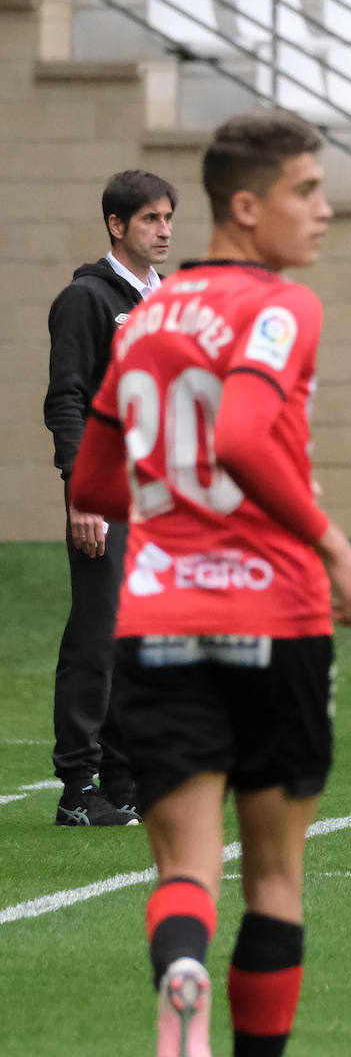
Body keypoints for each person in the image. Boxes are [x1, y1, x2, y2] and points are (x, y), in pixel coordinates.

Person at [69, 111, 351, 1057]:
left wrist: (168, 506)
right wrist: (333, 546)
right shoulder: (282, 305)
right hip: (274, 613)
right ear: (245, 208)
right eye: (306, 192)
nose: (326, 212)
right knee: (276, 880)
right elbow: (243, 435)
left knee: (185, 867)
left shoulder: (147, 314)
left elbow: (92, 481)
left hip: (159, 615)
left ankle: (180, 974)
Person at [45, 169, 177, 827]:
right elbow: (66, 401)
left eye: (168, 218)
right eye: (150, 219)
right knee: (98, 635)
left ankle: (124, 780)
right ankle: (78, 785)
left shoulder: (168, 300)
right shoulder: (87, 301)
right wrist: (80, 493)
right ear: (116, 226)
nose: (164, 230)